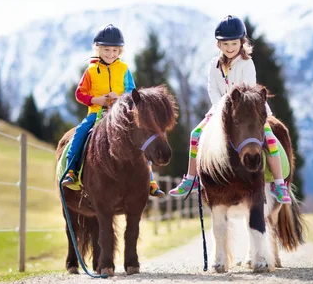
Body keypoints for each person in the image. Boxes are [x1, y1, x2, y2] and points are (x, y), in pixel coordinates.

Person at [168, 15, 292, 204]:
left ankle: (278, 182)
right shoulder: (213, 65)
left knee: (270, 138)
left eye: (234, 44)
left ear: (241, 43)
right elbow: (212, 88)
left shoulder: (246, 63)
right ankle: (192, 179)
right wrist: (220, 108)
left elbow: (249, 90)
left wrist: (235, 108)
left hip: (248, 111)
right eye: (225, 44)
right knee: (195, 135)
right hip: (219, 110)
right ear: (219, 45)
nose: (230, 48)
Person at [61, 24, 166, 198]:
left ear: (120, 51)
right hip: (96, 114)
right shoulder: (91, 71)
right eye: (106, 50)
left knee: (141, 138)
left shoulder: (124, 69)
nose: (111, 54)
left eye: (115, 50)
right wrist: (96, 100)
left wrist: (119, 98)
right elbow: (79, 93)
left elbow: (132, 92)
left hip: (120, 117)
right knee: (80, 134)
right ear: (98, 49)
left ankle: (150, 180)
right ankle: (71, 170)